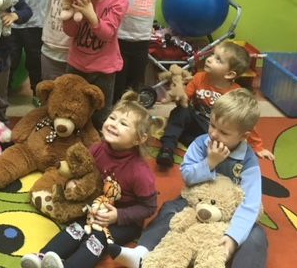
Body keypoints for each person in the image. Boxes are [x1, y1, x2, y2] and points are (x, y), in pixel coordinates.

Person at [109, 88, 268, 268]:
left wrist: (233, 237)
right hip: (194, 203)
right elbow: (188, 176)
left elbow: (251, 204)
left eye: (224, 132)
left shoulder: (248, 160)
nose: (214, 134)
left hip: (228, 215)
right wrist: (210, 163)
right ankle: (141, 252)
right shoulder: (201, 144)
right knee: (169, 210)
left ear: (244, 136)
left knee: (257, 236)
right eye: (212, 125)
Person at [20, 90, 161, 268]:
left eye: (123, 123)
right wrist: (73, 183)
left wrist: (118, 216)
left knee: (98, 237)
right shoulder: (97, 149)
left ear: (139, 139)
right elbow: (82, 172)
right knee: (76, 228)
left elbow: (149, 207)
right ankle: (43, 256)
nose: (113, 124)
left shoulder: (140, 172)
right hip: (93, 207)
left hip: (125, 222)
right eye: (112, 118)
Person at [156, 41, 274, 169]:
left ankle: (198, 146)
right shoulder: (199, 77)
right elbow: (184, 100)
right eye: (212, 55)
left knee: (227, 138)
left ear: (229, 74)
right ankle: (167, 148)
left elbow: (246, 121)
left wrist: (258, 147)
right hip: (195, 120)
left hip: (215, 130)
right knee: (181, 110)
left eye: (218, 60)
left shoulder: (236, 93)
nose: (209, 59)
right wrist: (178, 95)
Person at [63, 0, 128, 130]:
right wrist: (67, 11)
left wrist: (90, 14)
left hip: (104, 68)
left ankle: (99, 145)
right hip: (76, 64)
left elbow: (107, 34)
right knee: (70, 109)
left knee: (100, 114)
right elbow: (70, 31)